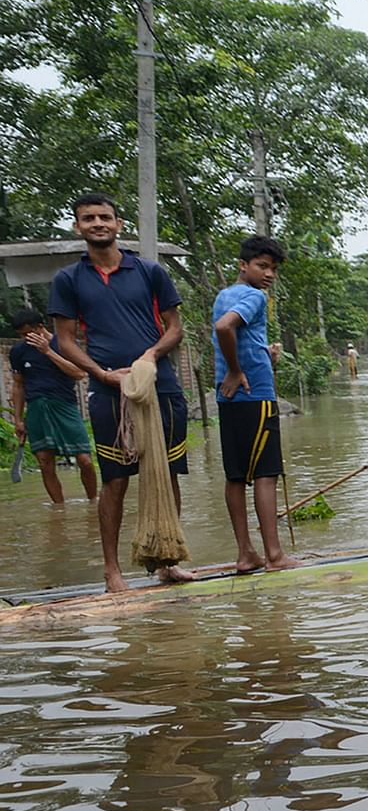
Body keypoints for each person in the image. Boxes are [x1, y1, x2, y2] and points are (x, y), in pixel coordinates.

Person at [46, 191, 194, 592]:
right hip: (108, 392)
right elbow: (65, 339)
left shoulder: (149, 272)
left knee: (167, 474)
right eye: (89, 218)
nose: (98, 224)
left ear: (118, 224)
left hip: (160, 387)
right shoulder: (68, 280)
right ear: (78, 226)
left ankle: (168, 562)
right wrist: (101, 373)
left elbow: (175, 328)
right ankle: (112, 571)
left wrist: (150, 355)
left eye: (105, 217)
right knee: (115, 480)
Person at [212, 235, 300, 574]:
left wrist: (264, 357)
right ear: (243, 265)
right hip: (255, 395)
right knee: (266, 474)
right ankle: (275, 556)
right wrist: (237, 370)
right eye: (263, 266)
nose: (269, 275)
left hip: (229, 397)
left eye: (273, 269)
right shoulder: (253, 296)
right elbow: (225, 328)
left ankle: (246, 553)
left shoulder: (224, 295)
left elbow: (233, 333)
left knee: (235, 476)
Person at [9, 308, 98, 505]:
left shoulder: (63, 344)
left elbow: (79, 373)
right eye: (21, 335)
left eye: (28, 333)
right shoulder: (18, 352)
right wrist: (18, 420)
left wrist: (47, 351)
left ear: (40, 327)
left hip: (65, 406)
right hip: (36, 408)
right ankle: (59, 509)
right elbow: (18, 385)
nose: (25, 338)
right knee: (45, 461)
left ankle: (94, 502)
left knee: (85, 460)